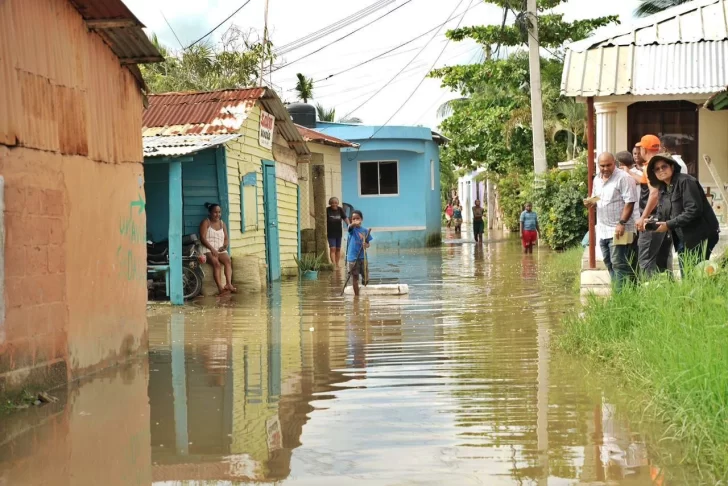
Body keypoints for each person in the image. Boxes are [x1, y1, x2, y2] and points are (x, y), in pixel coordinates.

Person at [646, 153, 720, 271]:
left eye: (664, 166)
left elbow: (693, 209)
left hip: (700, 236)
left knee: (696, 274)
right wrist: (652, 220)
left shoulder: (686, 181)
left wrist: (669, 225)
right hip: (682, 237)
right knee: (687, 273)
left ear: (672, 167)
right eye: (657, 169)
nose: (661, 170)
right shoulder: (663, 188)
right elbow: (662, 214)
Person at [586, 152, 637, 291]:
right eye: (602, 166)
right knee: (608, 262)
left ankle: (623, 295)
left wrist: (622, 223)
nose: (605, 168)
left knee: (619, 263)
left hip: (620, 229)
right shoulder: (597, 179)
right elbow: (597, 197)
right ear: (598, 165)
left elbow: (630, 202)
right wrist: (591, 202)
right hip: (603, 229)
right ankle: (621, 291)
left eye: (608, 165)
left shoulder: (624, 178)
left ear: (614, 162)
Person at [635, 134, 672, 277]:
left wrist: (643, 217)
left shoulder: (649, 167)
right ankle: (668, 292)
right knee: (663, 259)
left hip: (652, 219)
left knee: (646, 260)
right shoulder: (664, 165)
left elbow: (654, 194)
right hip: (665, 217)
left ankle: (648, 293)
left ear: (644, 149)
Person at [199, 203, 236, 294]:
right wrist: (212, 249)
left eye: (219, 212)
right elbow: (202, 238)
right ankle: (220, 288)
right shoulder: (206, 222)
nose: (217, 214)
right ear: (210, 213)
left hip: (219, 249)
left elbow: (226, 238)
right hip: (207, 249)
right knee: (216, 264)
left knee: (228, 261)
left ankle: (228, 284)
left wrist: (224, 246)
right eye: (215, 212)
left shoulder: (222, 223)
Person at [346, 210, 373, 297]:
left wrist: (366, 245)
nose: (356, 220)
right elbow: (349, 227)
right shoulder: (352, 230)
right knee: (355, 277)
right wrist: (353, 224)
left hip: (363, 257)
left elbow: (368, 244)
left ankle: (365, 290)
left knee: (366, 278)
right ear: (351, 220)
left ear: (361, 219)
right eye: (353, 219)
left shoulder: (365, 230)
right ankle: (356, 297)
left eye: (358, 218)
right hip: (353, 258)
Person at [326, 197, 350, 269]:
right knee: (332, 248)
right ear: (330, 203)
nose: (334, 204)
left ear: (337, 203)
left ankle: (337, 264)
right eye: (332, 203)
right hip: (330, 232)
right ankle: (333, 264)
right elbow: (322, 218)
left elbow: (345, 218)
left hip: (338, 232)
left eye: (335, 203)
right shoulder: (327, 210)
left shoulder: (340, 209)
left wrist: (349, 225)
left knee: (338, 249)